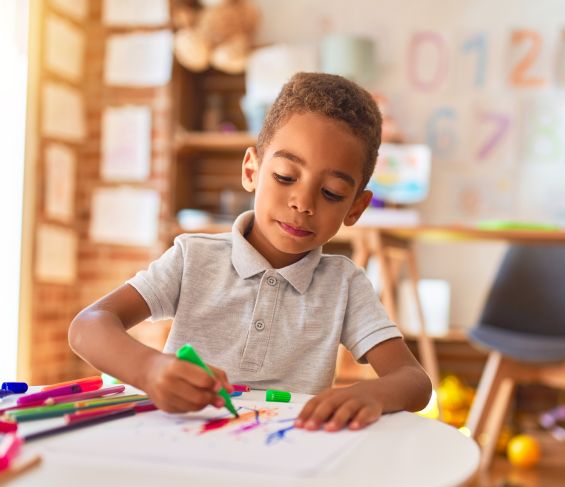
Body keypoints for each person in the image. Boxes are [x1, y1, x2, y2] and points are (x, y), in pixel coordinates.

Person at [69, 72, 431, 432]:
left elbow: (414, 380)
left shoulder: (345, 285)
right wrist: (149, 370)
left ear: (355, 208)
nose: (302, 203)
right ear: (251, 170)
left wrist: (373, 394)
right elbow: (88, 326)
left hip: (286, 459)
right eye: (286, 177)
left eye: (332, 193)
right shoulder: (192, 257)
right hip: (186, 446)